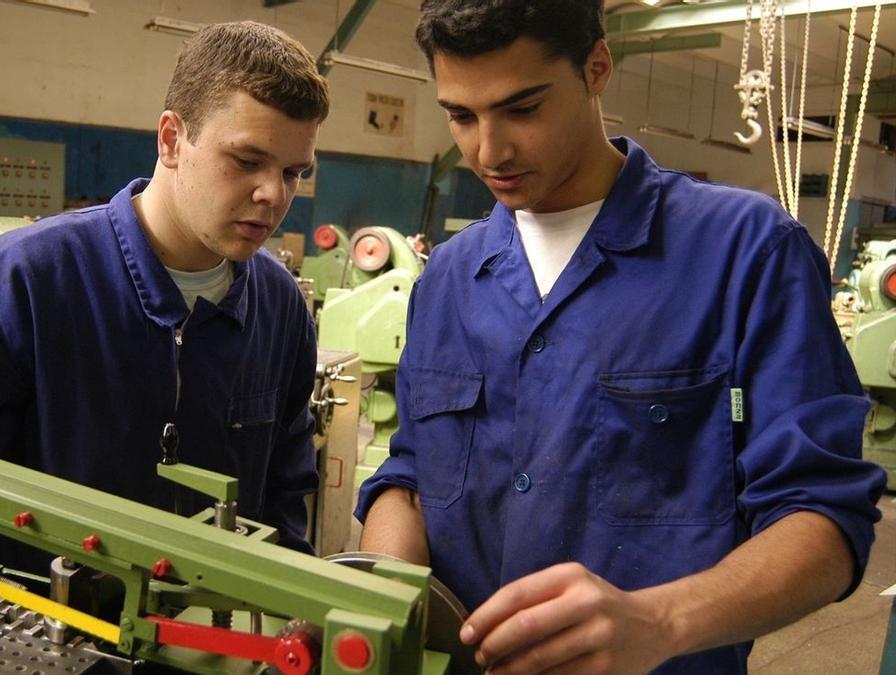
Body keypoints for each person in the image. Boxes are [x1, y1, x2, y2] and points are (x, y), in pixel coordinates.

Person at [355, 1, 887, 673]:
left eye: (522, 108)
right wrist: (375, 596)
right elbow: (409, 476)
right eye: (462, 116)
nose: (488, 150)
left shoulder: (746, 253)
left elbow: (824, 519)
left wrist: (658, 621)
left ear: (596, 68)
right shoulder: (449, 280)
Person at [0, 21, 329, 625]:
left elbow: (286, 499)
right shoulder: (20, 285)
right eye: (247, 160)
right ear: (171, 139)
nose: (274, 194)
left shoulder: (280, 306)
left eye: (294, 172)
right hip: (42, 641)